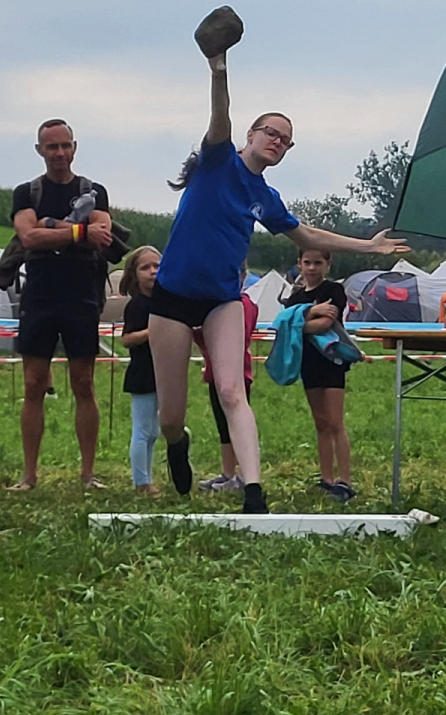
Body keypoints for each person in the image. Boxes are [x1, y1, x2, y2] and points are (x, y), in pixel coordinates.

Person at [148, 37, 408, 514]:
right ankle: (177, 442)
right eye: (272, 133)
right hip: (172, 297)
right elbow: (220, 118)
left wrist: (368, 246)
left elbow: (306, 234)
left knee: (232, 390)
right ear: (251, 134)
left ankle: (253, 490)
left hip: (222, 299)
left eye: (286, 141)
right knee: (170, 414)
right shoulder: (218, 161)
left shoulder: (265, 197)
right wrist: (219, 69)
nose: (278, 142)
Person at [9, 118, 114, 491]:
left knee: (84, 383)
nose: (59, 153)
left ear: (74, 147)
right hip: (39, 293)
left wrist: (51, 226)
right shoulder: (26, 192)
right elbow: (28, 237)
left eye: (65, 145)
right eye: (51, 147)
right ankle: (29, 474)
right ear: (40, 150)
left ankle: (88, 474)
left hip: (81, 292)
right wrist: (79, 231)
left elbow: (104, 234)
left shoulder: (93, 191)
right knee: (33, 383)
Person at [282, 247, 356, 500]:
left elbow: (324, 324)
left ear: (327, 265)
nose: (312, 268)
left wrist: (298, 322)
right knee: (320, 423)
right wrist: (312, 312)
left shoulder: (334, 291)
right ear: (299, 264)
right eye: (307, 263)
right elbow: (283, 323)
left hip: (332, 361)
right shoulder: (296, 296)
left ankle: (345, 481)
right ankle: (326, 478)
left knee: (335, 422)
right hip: (308, 362)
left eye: (317, 263)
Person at [196, 272, 259, 494]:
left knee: (235, 421)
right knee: (223, 426)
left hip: (238, 371)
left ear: (243, 276)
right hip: (215, 371)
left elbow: (234, 336)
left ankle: (243, 475)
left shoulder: (244, 305)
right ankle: (228, 473)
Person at [119, 247, 162, 496]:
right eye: (146, 268)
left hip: (159, 372)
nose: (153, 271)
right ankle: (141, 482)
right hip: (142, 373)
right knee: (142, 430)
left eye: (157, 266)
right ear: (134, 275)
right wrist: (151, 332)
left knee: (153, 432)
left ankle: (146, 477)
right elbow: (127, 339)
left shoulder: (160, 303)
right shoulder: (136, 306)